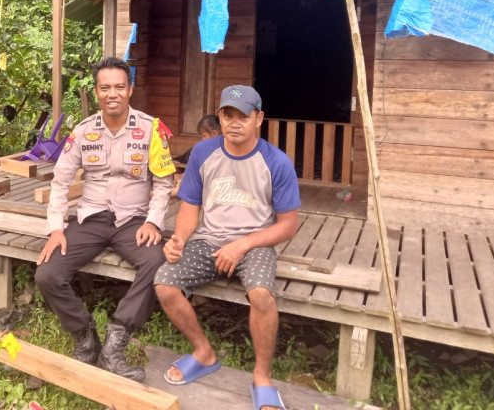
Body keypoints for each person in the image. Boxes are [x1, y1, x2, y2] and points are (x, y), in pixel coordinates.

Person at [154, 85, 300, 410]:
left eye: (243, 116)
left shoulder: (276, 162)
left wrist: (243, 244)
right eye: (227, 115)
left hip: (255, 244)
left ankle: (262, 377)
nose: (234, 123)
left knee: (261, 294)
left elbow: (289, 225)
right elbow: (190, 206)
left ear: (258, 119)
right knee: (165, 283)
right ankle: (203, 352)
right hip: (209, 240)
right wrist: (180, 239)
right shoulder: (203, 153)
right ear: (219, 117)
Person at [36, 57, 175, 382]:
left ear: (130, 90)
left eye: (119, 87)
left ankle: (115, 344)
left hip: (134, 221)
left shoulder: (151, 129)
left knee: (156, 261)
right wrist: (56, 228)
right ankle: (85, 337)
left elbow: (163, 182)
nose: (113, 94)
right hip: (91, 219)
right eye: (105, 87)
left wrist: (154, 222)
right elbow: (60, 181)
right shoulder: (83, 132)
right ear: (97, 92)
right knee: (47, 273)